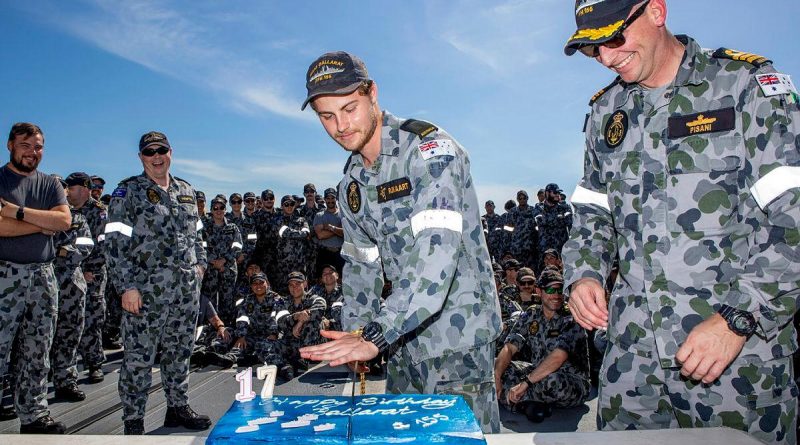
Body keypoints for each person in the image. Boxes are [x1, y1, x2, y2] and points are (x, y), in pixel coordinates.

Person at [562, 1, 799, 442]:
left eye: (614, 38)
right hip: (633, 366)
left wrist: (737, 319)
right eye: (593, 49)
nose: (607, 58)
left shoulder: (743, 86)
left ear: (656, 11)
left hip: (733, 361)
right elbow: (592, 216)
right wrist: (582, 275)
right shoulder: (605, 113)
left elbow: (794, 219)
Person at [298, 51, 502, 433]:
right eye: (327, 116)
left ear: (372, 93)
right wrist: (356, 334)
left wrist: (375, 334)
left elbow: (435, 255)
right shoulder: (352, 183)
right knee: (403, 439)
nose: (340, 126)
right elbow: (361, 263)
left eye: (349, 108)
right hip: (402, 342)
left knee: (462, 440)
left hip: (456, 337)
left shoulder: (429, 151)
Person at [104, 131, 211, 435]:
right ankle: (134, 420)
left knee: (180, 350)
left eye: (161, 150)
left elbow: (198, 236)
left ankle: (177, 408)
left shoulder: (187, 191)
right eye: (149, 152)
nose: (156, 156)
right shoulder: (128, 192)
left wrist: (199, 266)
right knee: (139, 357)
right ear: (141, 157)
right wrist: (126, 287)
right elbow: (114, 243)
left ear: (170, 152)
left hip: (185, 291)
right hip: (144, 292)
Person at [0, 122, 72, 433]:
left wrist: (15, 212)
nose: (33, 152)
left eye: (38, 146)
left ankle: (33, 414)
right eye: (26, 145)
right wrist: (43, 224)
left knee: (38, 349)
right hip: (5, 274)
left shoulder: (50, 184)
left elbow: (64, 220)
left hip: (43, 277)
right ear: (10, 146)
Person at [494, 269, 590, 423]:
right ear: (539, 291)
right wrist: (497, 376)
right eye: (551, 289)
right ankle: (527, 404)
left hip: (570, 381)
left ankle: (517, 402)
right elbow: (509, 347)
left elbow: (558, 357)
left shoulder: (571, 318)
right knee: (501, 365)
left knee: (550, 380)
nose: (557, 295)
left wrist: (525, 383)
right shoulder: (531, 315)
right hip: (537, 373)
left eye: (560, 289)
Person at [50, 174, 94, 402]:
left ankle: (65, 380)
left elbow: (87, 243)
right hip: (42, 285)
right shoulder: (37, 214)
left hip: (71, 285)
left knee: (70, 334)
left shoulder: (76, 217)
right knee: (35, 339)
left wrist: (62, 252)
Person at [66, 171, 109, 383]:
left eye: (71, 188)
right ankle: (67, 367)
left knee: (93, 319)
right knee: (71, 320)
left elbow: (104, 244)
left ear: (83, 189)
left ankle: (94, 363)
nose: (67, 193)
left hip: (93, 274)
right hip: (70, 274)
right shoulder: (67, 210)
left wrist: (90, 269)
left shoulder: (99, 212)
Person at [201, 197, 243, 325]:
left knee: (227, 301)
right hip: (211, 271)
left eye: (221, 208)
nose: (218, 210)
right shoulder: (204, 227)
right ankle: (210, 329)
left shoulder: (233, 227)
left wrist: (224, 260)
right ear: (211, 210)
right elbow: (200, 246)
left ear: (225, 209)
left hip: (228, 270)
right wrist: (214, 261)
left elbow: (238, 246)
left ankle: (226, 329)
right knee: (210, 300)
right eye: (215, 208)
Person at [280, 271, 327, 376]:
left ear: (305, 284)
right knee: (266, 343)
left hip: (313, 346)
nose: (294, 287)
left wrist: (301, 320)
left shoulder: (313, 298)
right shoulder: (283, 302)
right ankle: (285, 366)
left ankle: (305, 357)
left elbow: (321, 306)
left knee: (314, 321)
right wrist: (296, 316)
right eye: (291, 285)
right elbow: (281, 321)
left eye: (297, 284)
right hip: (293, 343)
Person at [532, 183, 572, 270]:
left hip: (561, 249)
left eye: (558, 193)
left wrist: (549, 219)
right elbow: (541, 221)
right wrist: (559, 218)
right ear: (547, 194)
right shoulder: (538, 208)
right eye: (555, 193)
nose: (558, 195)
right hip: (544, 250)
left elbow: (570, 223)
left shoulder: (565, 207)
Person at [313, 188, 345, 275]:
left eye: (332, 198)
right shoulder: (319, 216)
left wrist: (330, 227)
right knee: (324, 279)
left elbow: (346, 233)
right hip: (325, 254)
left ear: (336, 199)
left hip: (341, 253)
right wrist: (338, 229)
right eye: (328, 198)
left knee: (341, 280)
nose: (330, 200)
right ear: (324, 199)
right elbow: (320, 235)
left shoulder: (343, 215)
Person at [507, 190, 538, 269]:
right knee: (517, 270)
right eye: (520, 198)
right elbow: (508, 230)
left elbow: (538, 228)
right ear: (517, 199)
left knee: (531, 271)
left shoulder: (533, 210)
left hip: (530, 247)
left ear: (527, 198)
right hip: (516, 248)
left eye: (524, 198)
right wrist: (509, 246)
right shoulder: (512, 212)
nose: (522, 200)